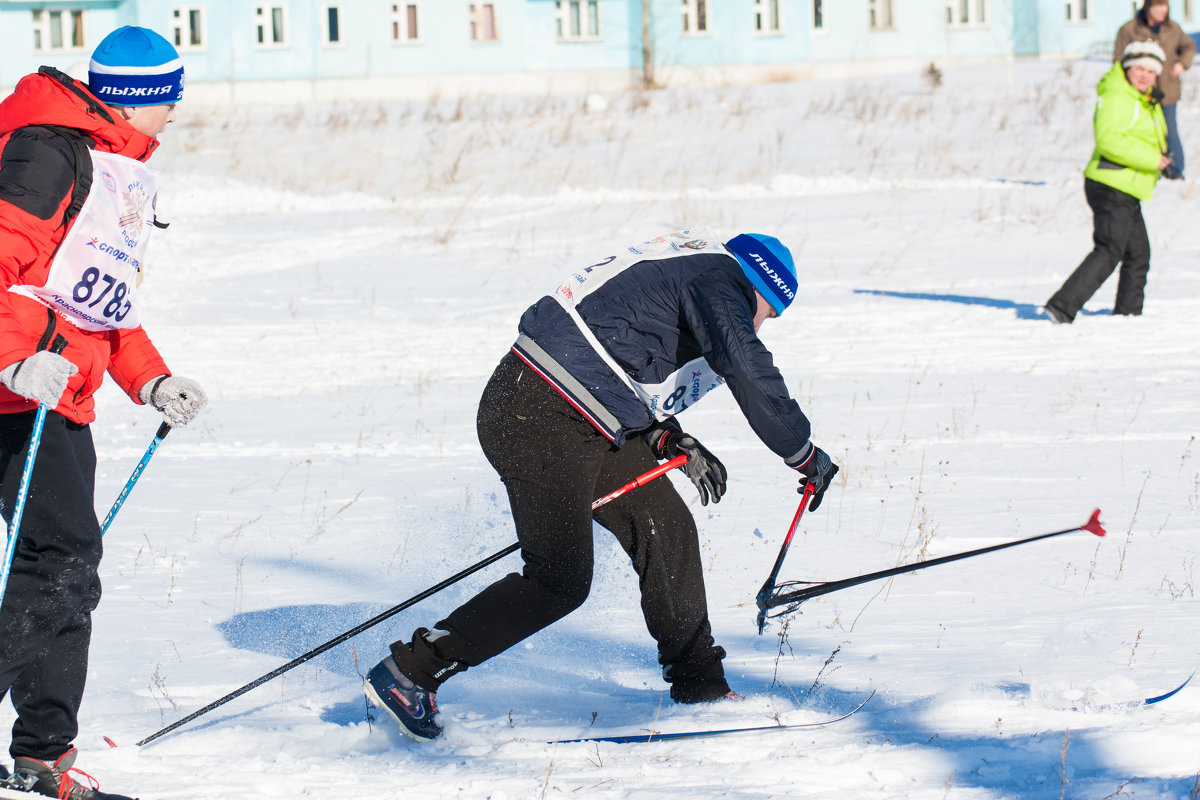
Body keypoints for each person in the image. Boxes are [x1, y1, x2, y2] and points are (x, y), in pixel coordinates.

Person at [364, 228, 839, 741]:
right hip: (541, 412)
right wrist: (802, 451)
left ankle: (700, 686)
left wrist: (663, 439)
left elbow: (614, 348)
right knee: (559, 580)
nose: (760, 326)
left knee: (667, 526)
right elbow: (744, 362)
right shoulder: (721, 280)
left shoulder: (692, 268)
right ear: (760, 288)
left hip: (573, 411)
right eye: (767, 315)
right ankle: (412, 671)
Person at [0, 26, 207, 800]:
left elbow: (92, 300)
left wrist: (149, 380)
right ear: (142, 98)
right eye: (173, 99)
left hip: (56, 392)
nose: (177, 116)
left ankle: (42, 757)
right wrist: (11, 359)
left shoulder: (109, 167)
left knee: (67, 574)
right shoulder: (48, 152)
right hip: (18, 391)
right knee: (59, 567)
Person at [1044, 41, 1171, 324]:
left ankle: (1128, 316)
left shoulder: (1142, 98)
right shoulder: (1117, 95)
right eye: (1140, 68)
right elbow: (1110, 140)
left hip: (1125, 184)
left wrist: (1164, 160)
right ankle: (1061, 307)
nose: (1145, 75)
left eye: (1151, 71)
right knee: (1109, 248)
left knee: (1138, 253)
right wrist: (1153, 159)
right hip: (1112, 183)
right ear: (1127, 67)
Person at [1114, 0, 1194, 179]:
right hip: (1139, 94)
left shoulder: (1173, 28)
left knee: (1169, 130)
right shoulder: (1129, 29)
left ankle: (1175, 169)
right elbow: (1119, 60)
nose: (1162, 10)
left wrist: (1182, 63)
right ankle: (1148, 167)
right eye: (1157, 5)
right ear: (1148, 6)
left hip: (1167, 90)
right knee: (1143, 131)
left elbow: (1189, 46)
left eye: (1164, 5)